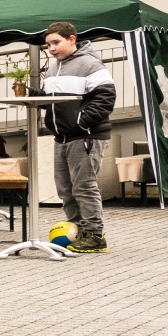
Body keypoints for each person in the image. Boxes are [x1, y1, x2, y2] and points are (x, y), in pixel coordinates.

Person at [41, 21, 114, 253]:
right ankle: (78, 229)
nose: (52, 48)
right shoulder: (53, 68)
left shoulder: (90, 64)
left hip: (85, 136)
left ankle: (94, 234)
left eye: (56, 42)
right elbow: (54, 100)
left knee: (83, 186)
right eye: (48, 45)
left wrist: (81, 122)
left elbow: (106, 98)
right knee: (65, 188)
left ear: (72, 39)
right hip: (62, 137)